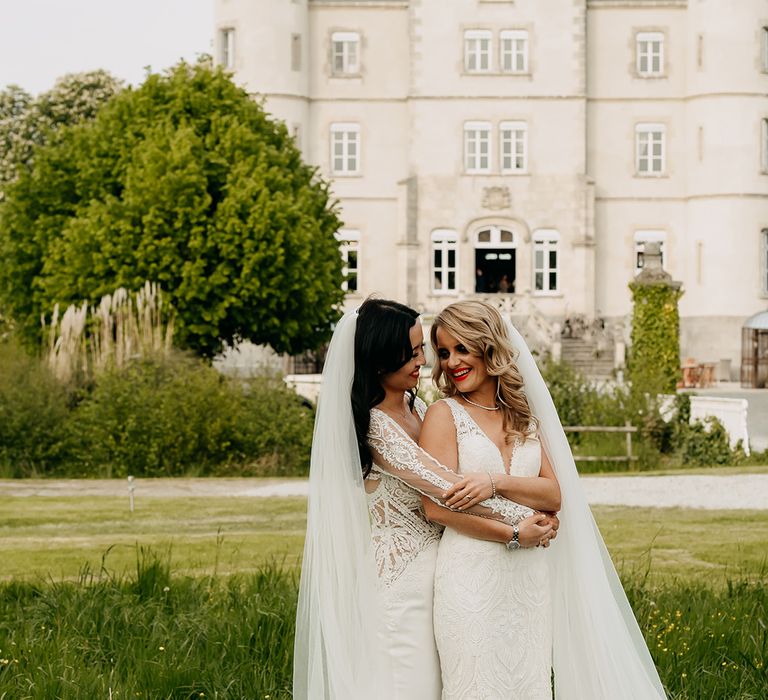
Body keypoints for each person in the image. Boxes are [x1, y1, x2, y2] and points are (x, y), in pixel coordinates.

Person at [293, 298, 556, 700]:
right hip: (401, 581)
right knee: (405, 686)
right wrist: (522, 524)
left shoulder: (416, 407)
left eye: (422, 350)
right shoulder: (376, 424)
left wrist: (536, 514)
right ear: (380, 357)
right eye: (413, 352)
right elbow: (448, 491)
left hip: (440, 569)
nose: (425, 362)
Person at [422, 300, 667, 700]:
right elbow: (436, 507)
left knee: (528, 683)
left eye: (462, 348)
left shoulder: (522, 415)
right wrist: (514, 533)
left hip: (528, 580)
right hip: (470, 576)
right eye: (444, 352)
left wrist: (495, 482)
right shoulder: (443, 415)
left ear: (488, 347)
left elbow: (554, 493)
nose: (452, 362)